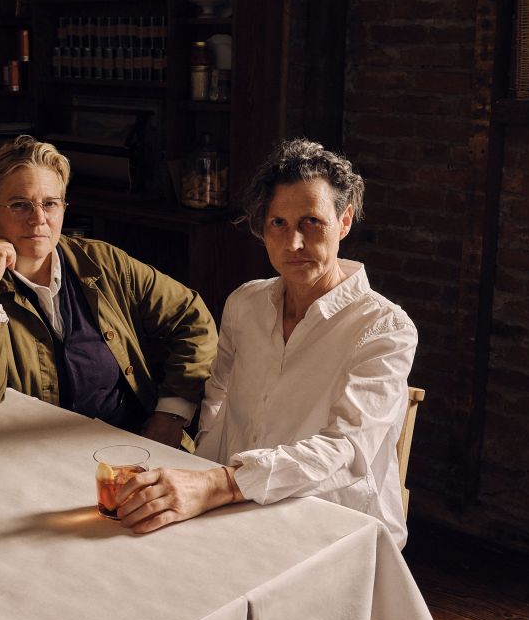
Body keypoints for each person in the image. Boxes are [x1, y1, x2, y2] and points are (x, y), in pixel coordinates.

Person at [116, 138, 418, 547]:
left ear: (344, 221)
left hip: (331, 524)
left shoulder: (385, 328)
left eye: (311, 222)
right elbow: (219, 397)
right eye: (279, 223)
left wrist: (219, 484)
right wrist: (203, 475)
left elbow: (347, 449)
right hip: (234, 504)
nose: (293, 243)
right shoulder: (246, 302)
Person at [0, 136, 217, 449]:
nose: (38, 219)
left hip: (133, 450)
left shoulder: (103, 263)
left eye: (50, 204)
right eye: (20, 205)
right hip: (35, 458)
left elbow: (193, 318)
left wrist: (171, 414)